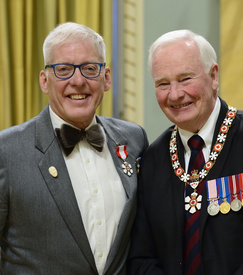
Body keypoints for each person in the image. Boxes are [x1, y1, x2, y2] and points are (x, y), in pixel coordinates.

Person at [0, 22, 148, 275]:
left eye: (90, 68)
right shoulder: (7, 151)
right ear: (45, 81)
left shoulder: (133, 140)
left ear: (107, 78)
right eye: (64, 69)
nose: (78, 81)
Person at [127, 29, 243, 275]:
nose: (175, 94)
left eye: (185, 79)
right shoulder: (152, 158)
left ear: (213, 76)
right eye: (163, 83)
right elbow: (141, 256)